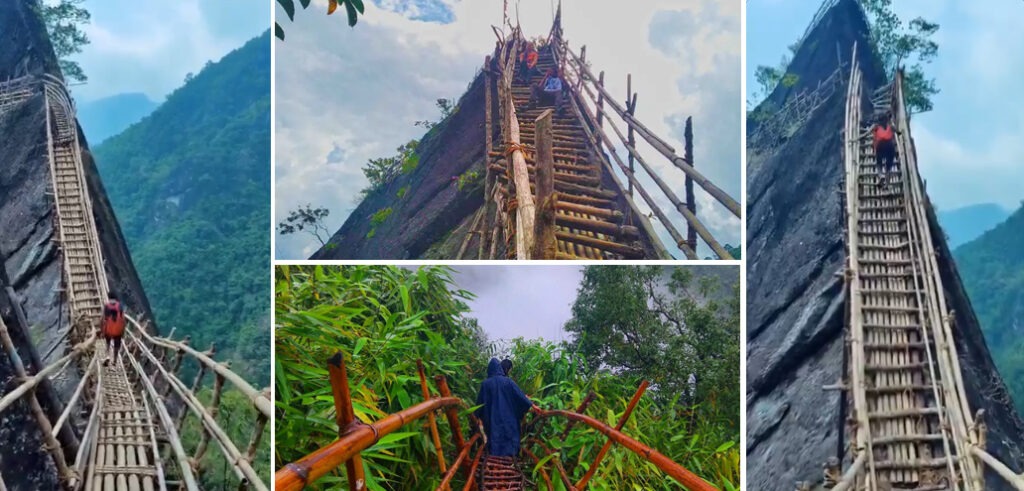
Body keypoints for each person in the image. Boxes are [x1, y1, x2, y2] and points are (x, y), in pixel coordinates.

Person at [475, 358, 539, 457]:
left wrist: (477, 416)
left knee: (494, 436)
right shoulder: (508, 382)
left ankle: (493, 457)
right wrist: (532, 405)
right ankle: (511, 458)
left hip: (492, 419)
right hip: (509, 419)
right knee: (510, 437)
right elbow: (520, 396)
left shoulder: (485, 384)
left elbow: (480, 403)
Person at [101, 292, 126, 365]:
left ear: (109, 297)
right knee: (116, 345)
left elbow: (102, 319)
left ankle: (107, 355)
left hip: (108, 329)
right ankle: (114, 360)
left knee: (108, 343)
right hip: (118, 330)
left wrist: (102, 330)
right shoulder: (120, 306)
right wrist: (123, 331)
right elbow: (123, 319)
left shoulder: (106, 306)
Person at [872, 113, 897, 180]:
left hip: (880, 145)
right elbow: (895, 134)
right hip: (889, 146)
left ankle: (881, 174)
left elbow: (874, 139)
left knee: (879, 162)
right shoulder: (890, 127)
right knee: (889, 161)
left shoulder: (876, 128)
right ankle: (887, 172)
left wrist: (874, 149)